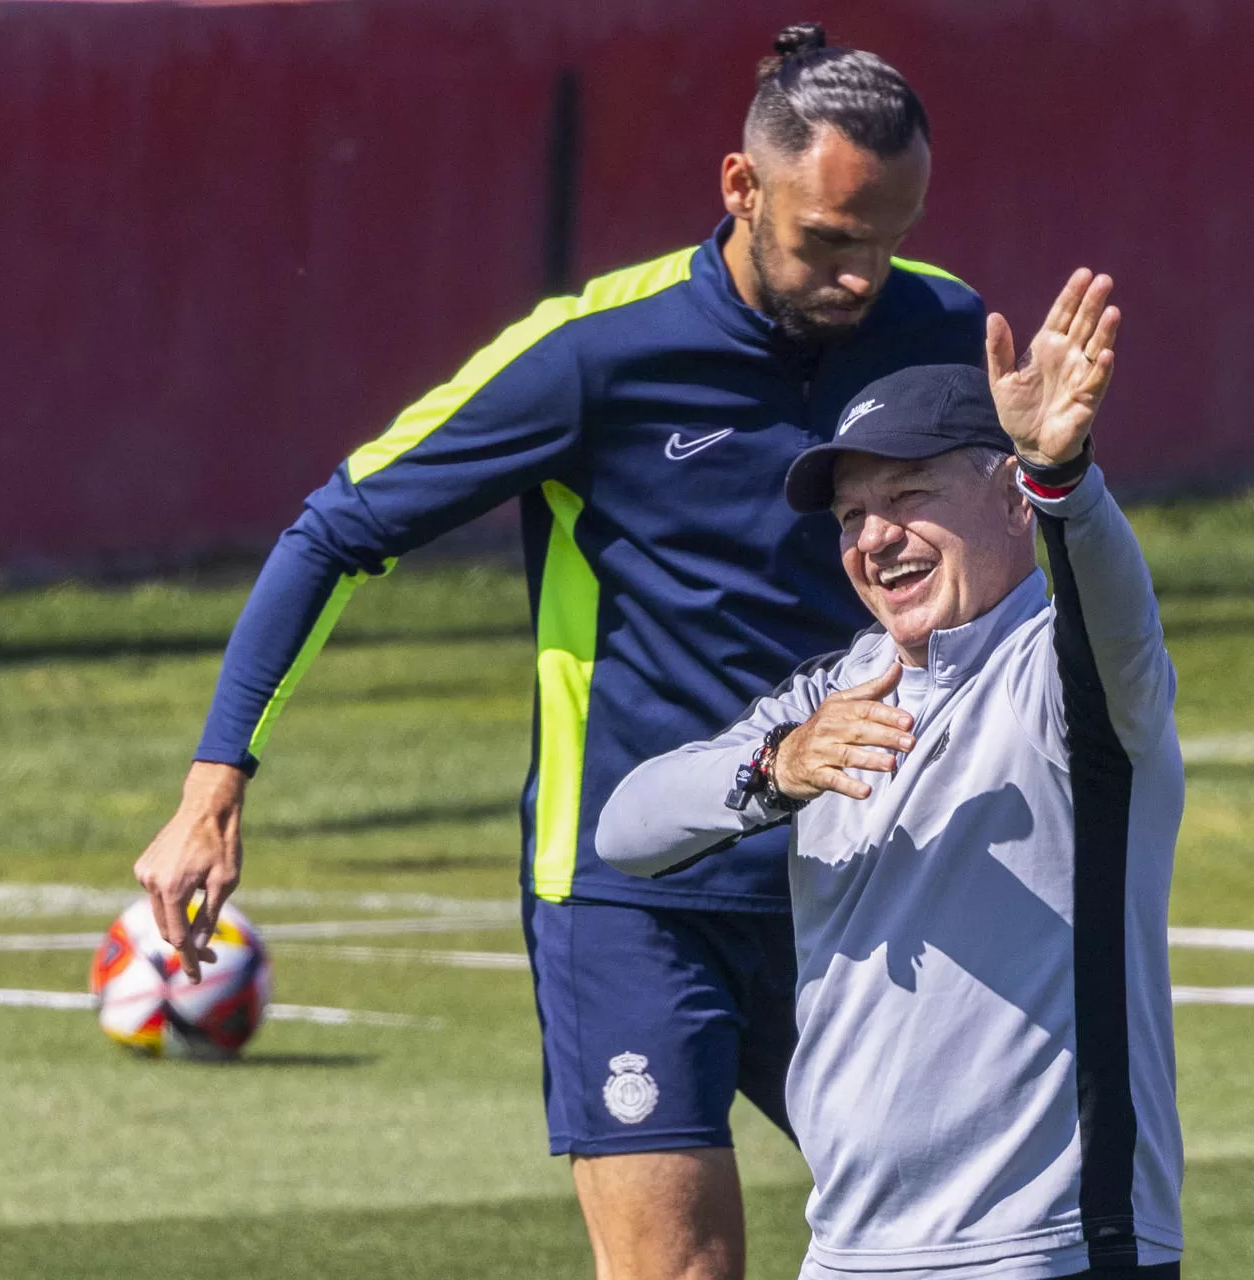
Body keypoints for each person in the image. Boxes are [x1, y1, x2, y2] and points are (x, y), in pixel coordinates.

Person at [131, 23, 984, 1280]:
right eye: (830, 240)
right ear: (742, 189)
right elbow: (338, 529)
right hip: (632, 892)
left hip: (861, 871)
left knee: (958, 1239)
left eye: (888, 237)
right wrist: (216, 782)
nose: (863, 276)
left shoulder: (944, 324)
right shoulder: (595, 354)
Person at [598, 270, 1185, 1280]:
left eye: (907, 496)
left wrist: (1065, 479)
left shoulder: (1068, 680)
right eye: (849, 516)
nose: (873, 538)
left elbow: (1111, 604)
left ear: (1007, 495)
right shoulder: (835, 691)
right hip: (851, 1249)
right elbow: (626, 827)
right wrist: (773, 768)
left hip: (1046, 1248)